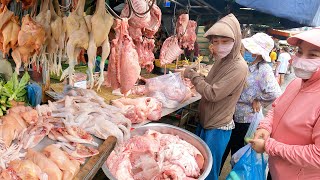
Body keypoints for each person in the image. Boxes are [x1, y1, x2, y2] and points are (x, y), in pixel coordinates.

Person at [182, 14, 248, 180]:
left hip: (217, 127)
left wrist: (192, 75)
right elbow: (210, 82)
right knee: (198, 164)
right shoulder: (222, 59)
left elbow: (213, 93)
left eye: (225, 41)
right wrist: (198, 77)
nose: (219, 46)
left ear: (236, 40)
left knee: (209, 171)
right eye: (215, 41)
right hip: (206, 121)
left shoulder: (239, 66)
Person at [249, 28, 320, 179]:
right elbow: (276, 109)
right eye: (300, 52)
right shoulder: (296, 83)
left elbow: (317, 155)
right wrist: (265, 127)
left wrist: (269, 146)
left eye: (312, 55)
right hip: (275, 170)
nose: (301, 59)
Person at [221, 33, 282, 170]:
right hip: (232, 113)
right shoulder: (250, 64)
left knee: (237, 151)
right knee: (225, 147)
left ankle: (235, 175)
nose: (247, 51)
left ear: (258, 53)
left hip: (245, 118)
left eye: (250, 49)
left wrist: (258, 99)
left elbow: (276, 93)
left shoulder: (264, 69)